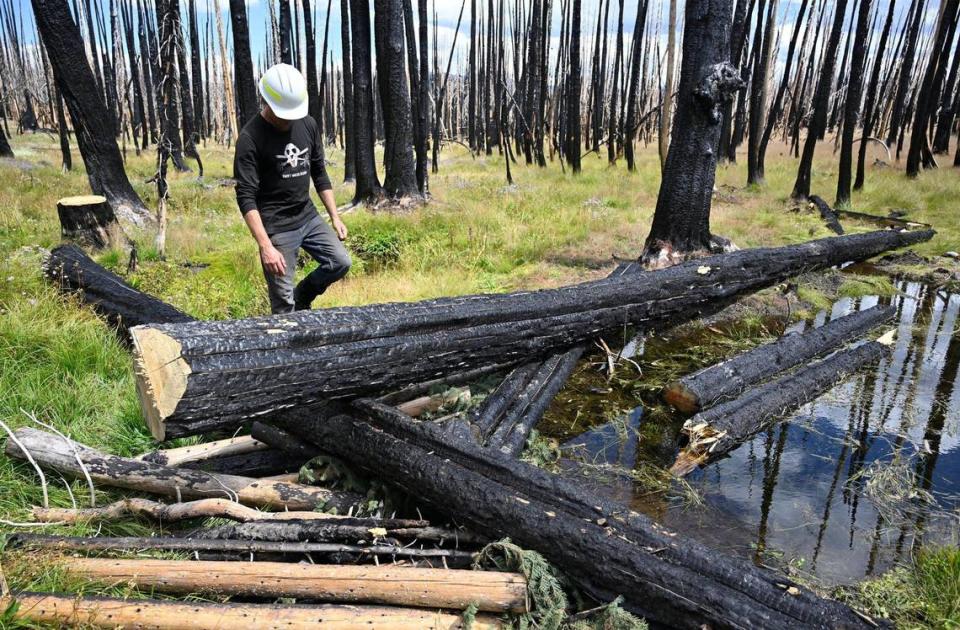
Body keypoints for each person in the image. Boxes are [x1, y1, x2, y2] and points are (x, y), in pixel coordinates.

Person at [234, 63, 351, 314]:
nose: (289, 119)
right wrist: (266, 246)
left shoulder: (307, 124)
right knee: (283, 305)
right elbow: (246, 197)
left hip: (307, 215)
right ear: (268, 102)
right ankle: (289, 339)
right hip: (276, 227)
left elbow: (319, 171)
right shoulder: (250, 138)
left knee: (340, 262)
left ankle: (303, 297)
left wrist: (334, 216)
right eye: (284, 114)